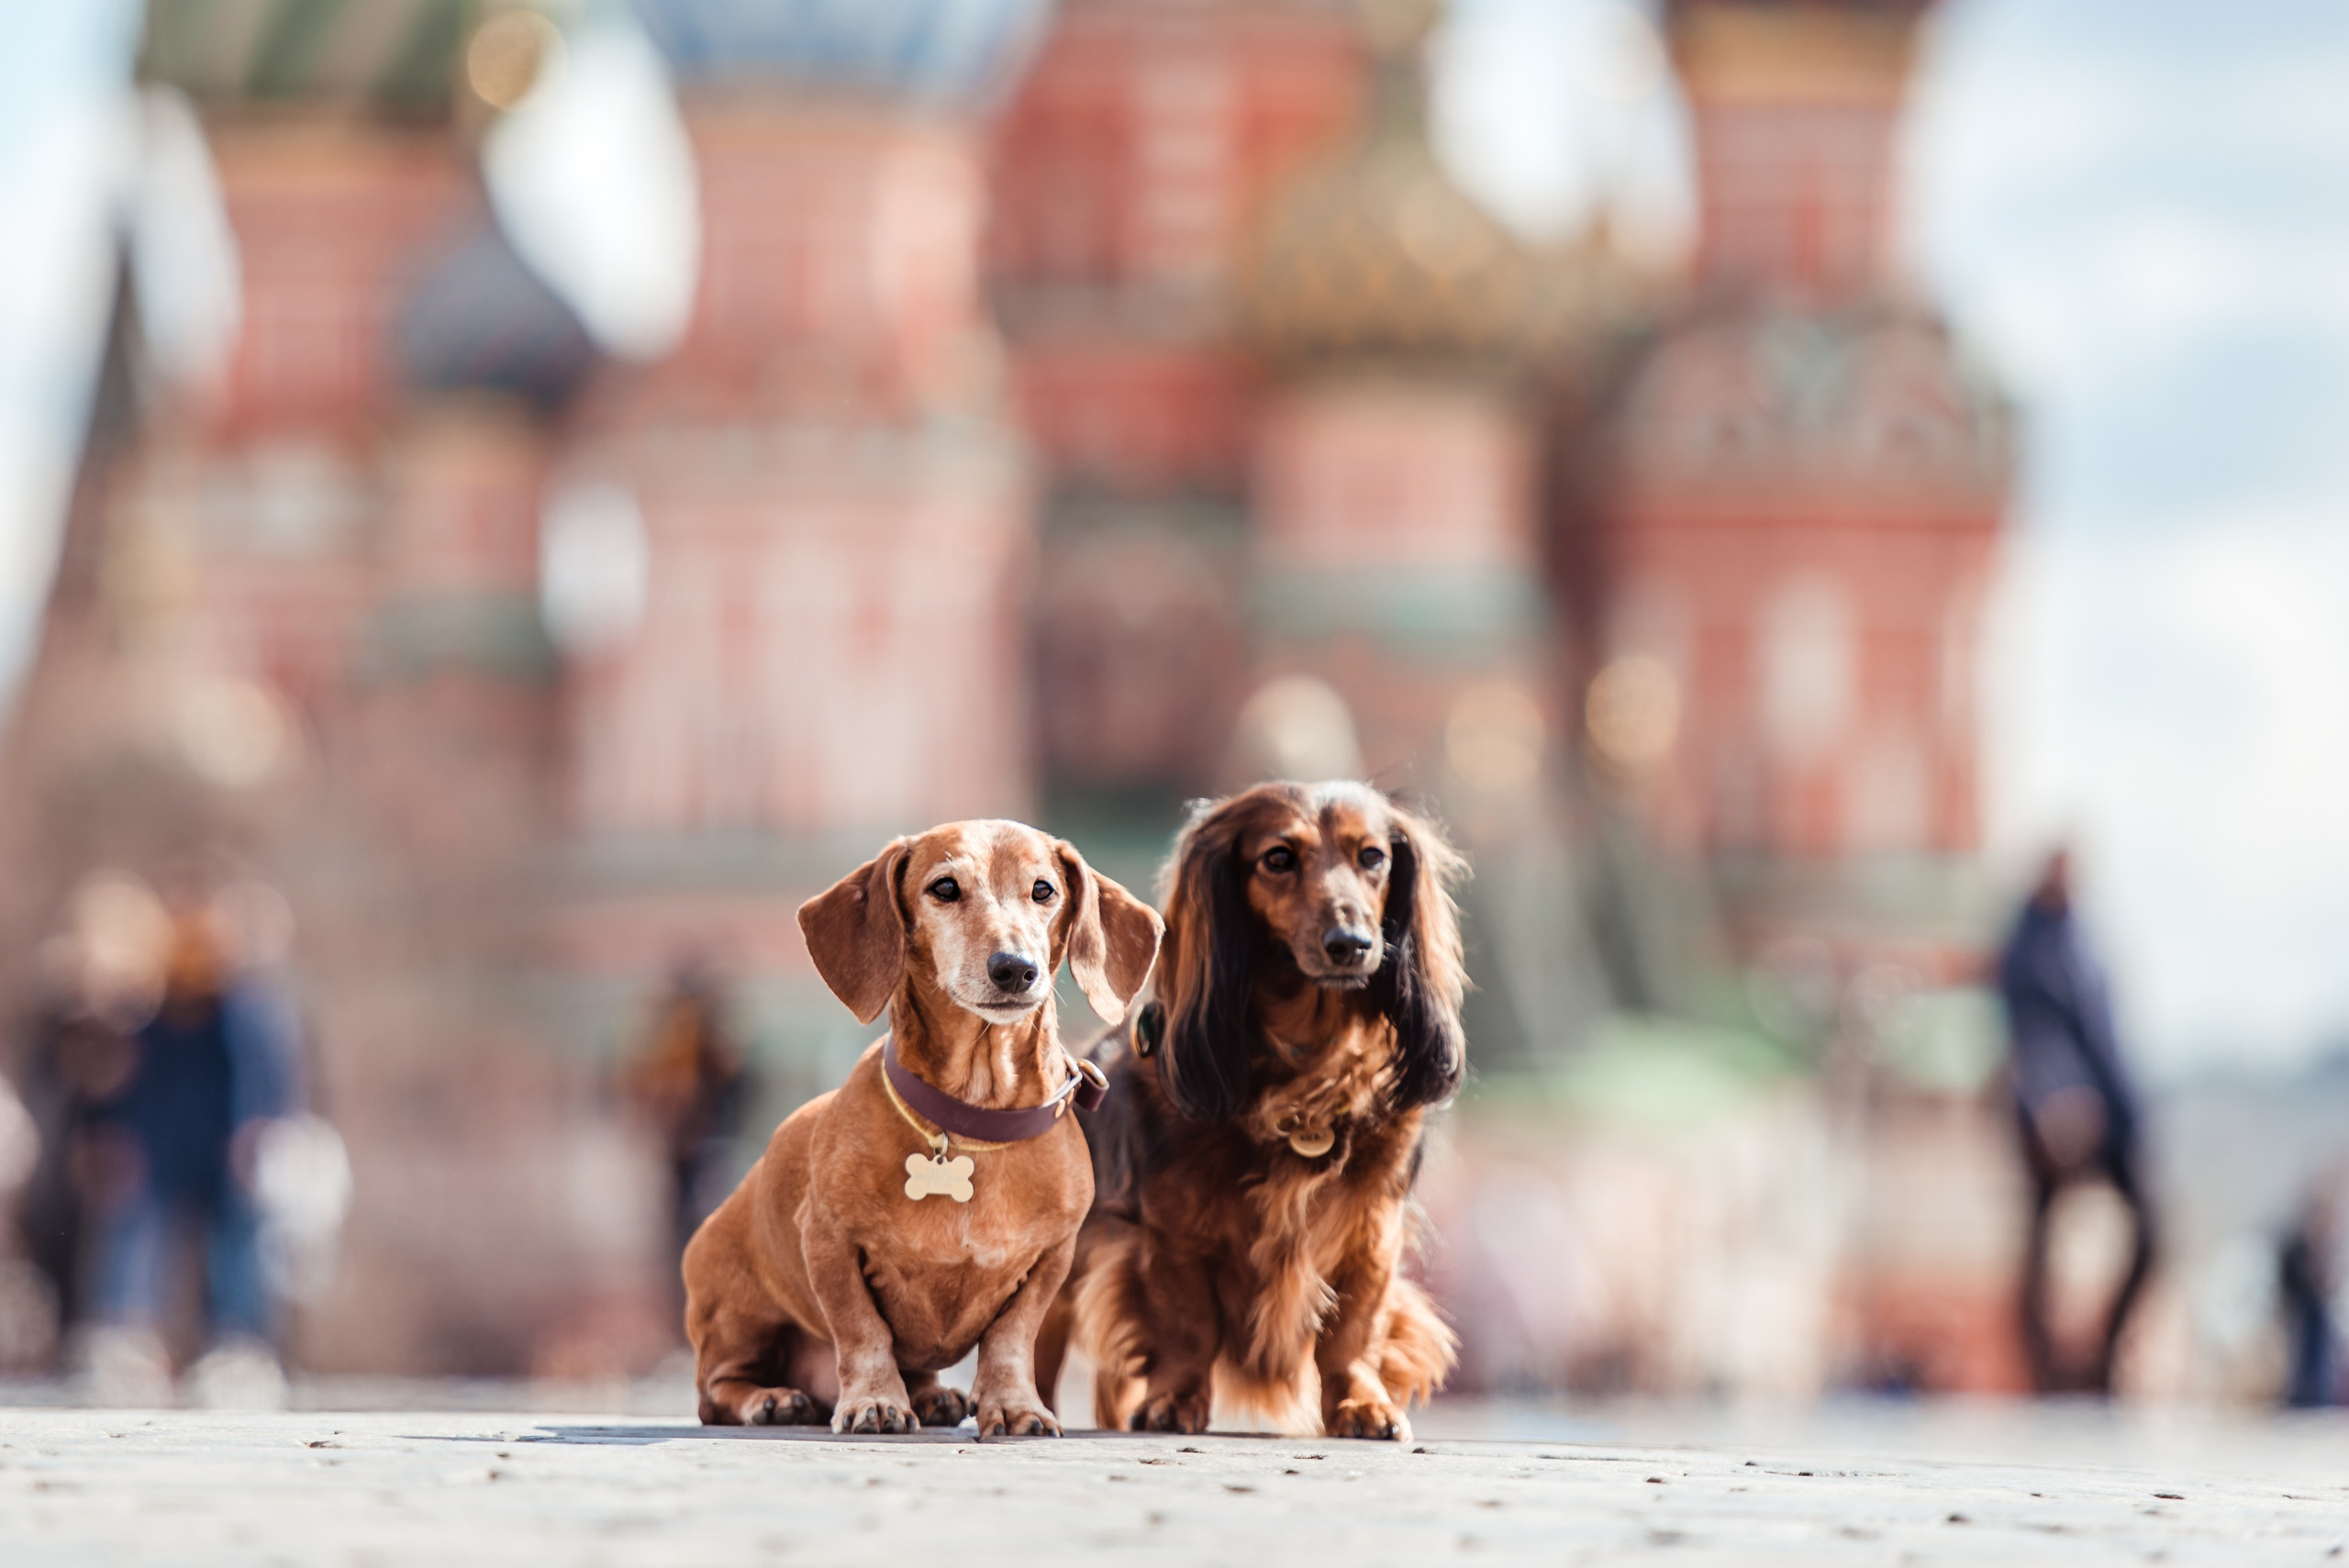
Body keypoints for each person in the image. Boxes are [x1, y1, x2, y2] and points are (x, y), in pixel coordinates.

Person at [83, 884, 304, 1400]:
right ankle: (125, 1335)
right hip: (160, 1144)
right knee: (137, 1237)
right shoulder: (152, 1010)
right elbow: (125, 1078)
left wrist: (257, 1130)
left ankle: (239, 1342)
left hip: (227, 1151)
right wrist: (113, 1132)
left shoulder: (247, 1008)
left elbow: (267, 1077)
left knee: (235, 1247)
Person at [1997, 847, 2156, 1396]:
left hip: (2111, 1109)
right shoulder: (2025, 947)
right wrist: (2057, 1095)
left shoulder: (2078, 940)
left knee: (2152, 1236)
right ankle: (2046, 1369)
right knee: (2041, 1243)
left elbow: (2105, 1035)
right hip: (2059, 1111)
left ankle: (2100, 1361)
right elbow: (2034, 1032)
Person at [620, 963, 750, 1286]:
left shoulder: (689, 1040)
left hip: (699, 1141)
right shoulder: (683, 1040)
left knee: (691, 1219)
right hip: (693, 1141)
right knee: (690, 1220)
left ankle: (694, 1287)